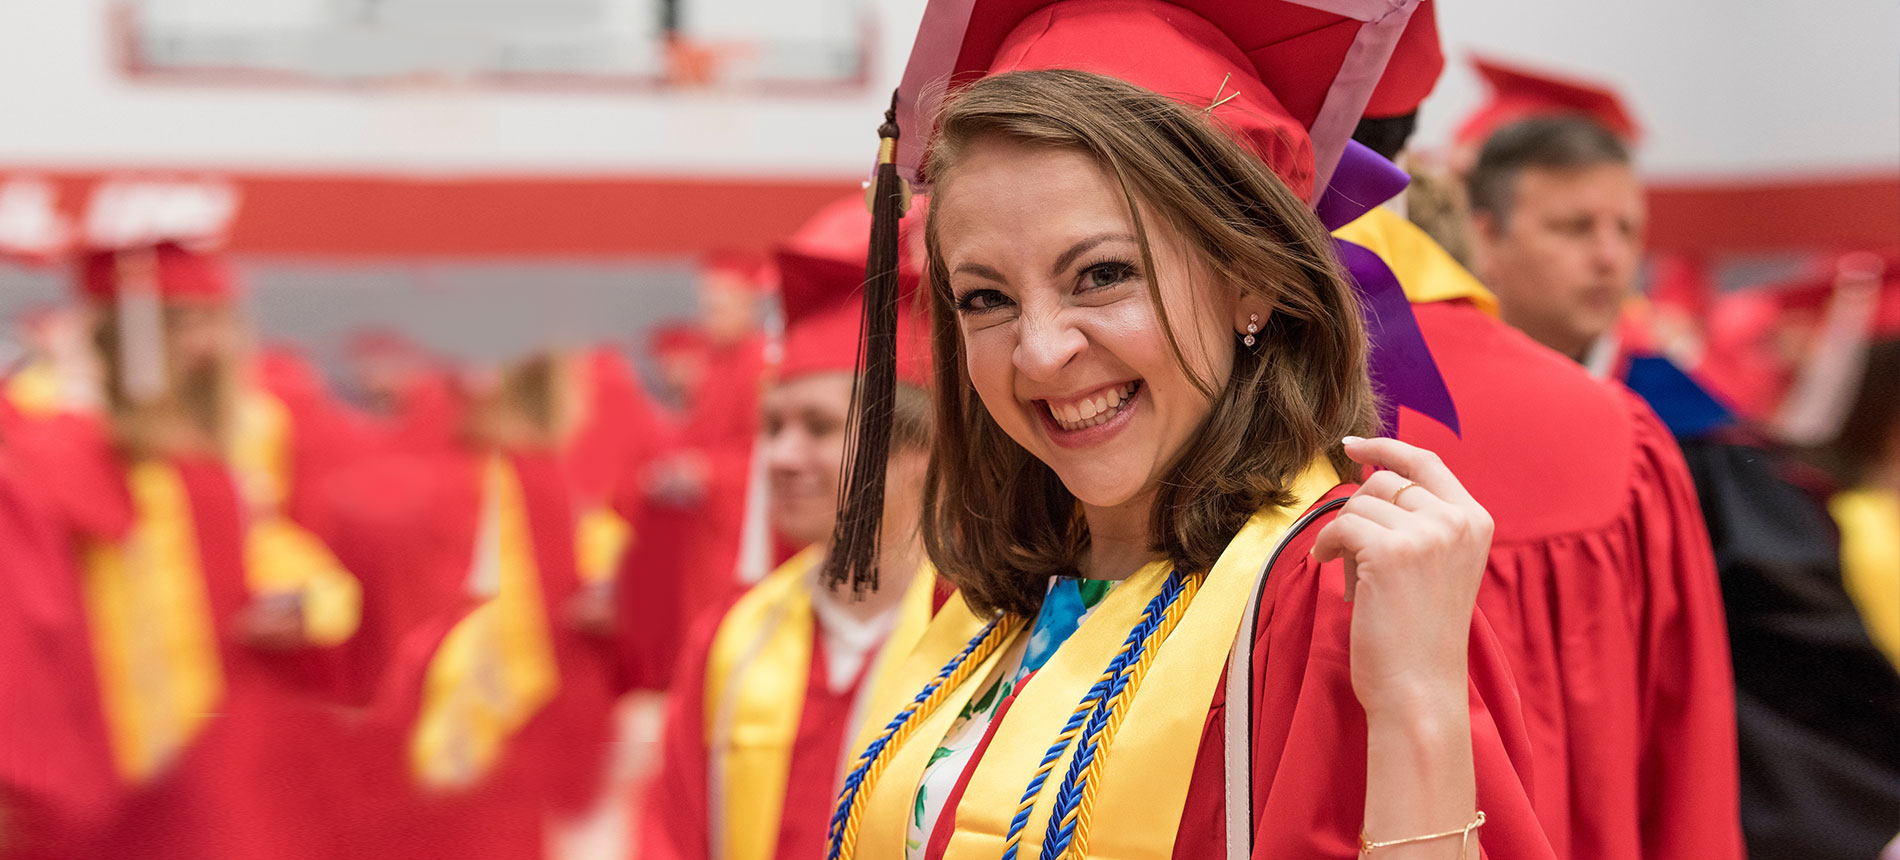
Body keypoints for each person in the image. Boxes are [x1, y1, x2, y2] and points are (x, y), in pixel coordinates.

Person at [825, 3, 1553, 859]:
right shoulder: (988, 596)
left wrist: (1420, 703)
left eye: (1101, 275)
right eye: (986, 297)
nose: (1042, 351)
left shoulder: (1333, 601)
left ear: (1252, 278)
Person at [1341, 25, 1744, 859]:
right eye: (1572, 228)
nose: (1608, 260)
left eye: (1625, 231)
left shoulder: (1170, 426)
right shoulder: (1614, 439)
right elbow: (1683, 780)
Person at [3, 240, 362, 860]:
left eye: (212, 324)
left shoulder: (242, 427)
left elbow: (268, 540)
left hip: (217, 709)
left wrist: (311, 602)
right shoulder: (46, 418)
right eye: (179, 324)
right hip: (99, 710)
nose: (202, 347)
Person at [641, 194, 939, 860]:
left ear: (918, 445)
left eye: (819, 427)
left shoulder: (996, 638)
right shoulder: (731, 642)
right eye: (773, 427)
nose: (779, 456)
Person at [614, 252, 774, 690]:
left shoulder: (760, 362)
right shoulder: (719, 366)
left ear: (748, 303)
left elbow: (761, 453)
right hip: (704, 534)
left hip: (734, 530)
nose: (709, 318)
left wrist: (705, 472)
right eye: (706, 307)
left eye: (720, 306)